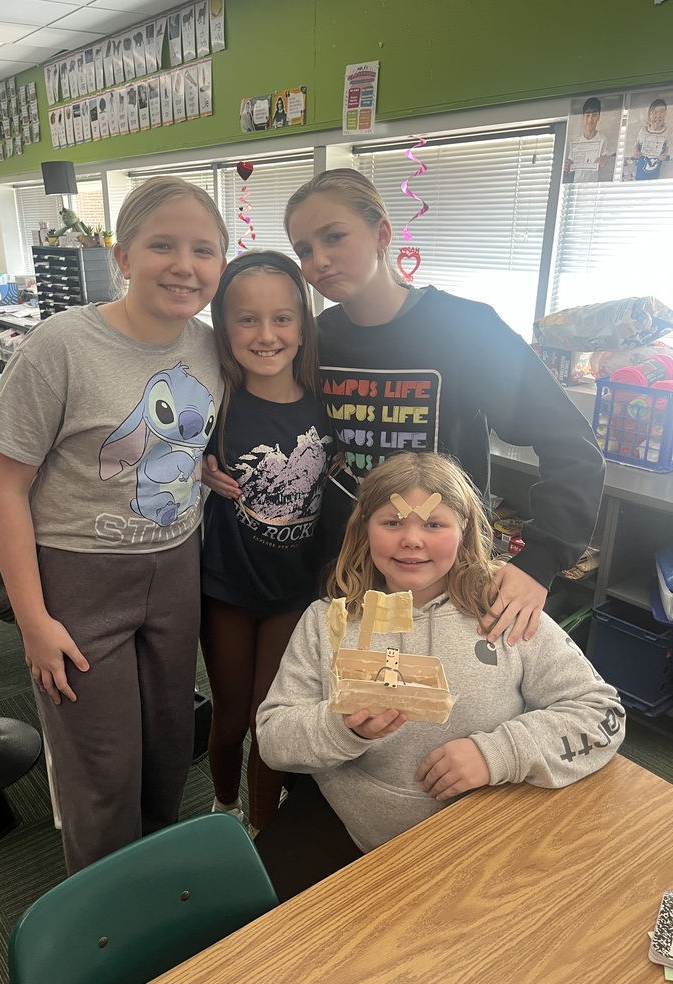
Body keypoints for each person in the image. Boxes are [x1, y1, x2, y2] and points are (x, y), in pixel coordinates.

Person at [206, 169, 605, 645]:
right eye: (304, 250)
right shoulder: (317, 339)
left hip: (443, 578)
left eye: (334, 237)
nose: (319, 261)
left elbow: (572, 445)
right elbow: (271, 416)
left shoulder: (467, 329)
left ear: (382, 234)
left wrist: (539, 561)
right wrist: (211, 462)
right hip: (344, 576)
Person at [0, 176, 228, 875]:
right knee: (102, 768)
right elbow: (4, 484)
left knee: (167, 747)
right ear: (122, 256)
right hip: (79, 575)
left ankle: (153, 888)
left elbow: (192, 442)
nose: (185, 265)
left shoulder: (213, 347)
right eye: (162, 245)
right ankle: (106, 918)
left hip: (176, 567)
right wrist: (32, 620)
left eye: (204, 250)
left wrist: (206, 467)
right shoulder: (60, 346)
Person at [255, 451, 625, 900]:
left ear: (464, 528)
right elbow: (273, 739)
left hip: (478, 838)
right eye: (392, 522)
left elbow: (602, 714)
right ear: (364, 527)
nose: (412, 540)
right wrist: (341, 726)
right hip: (349, 828)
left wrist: (497, 753)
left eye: (433, 524)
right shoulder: (326, 621)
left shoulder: (505, 612)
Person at [201, 251, 334, 834]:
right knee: (230, 717)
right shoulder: (214, 401)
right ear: (224, 328)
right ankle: (223, 808)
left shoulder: (328, 405)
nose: (266, 335)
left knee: (267, 719)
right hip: (226, 588)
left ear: (303, 327)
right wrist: (196, 469)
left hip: (294, 593)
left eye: (282, 318)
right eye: (247, 319)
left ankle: (259, 832)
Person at [564, 96, 608, 183]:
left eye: (594, 115)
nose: (590, 120)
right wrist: (567, 168)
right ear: (583, 117)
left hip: (593, 185)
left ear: (599, 116)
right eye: (587, 115)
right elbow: (568, 171)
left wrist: (604, 162)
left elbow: (604, 164)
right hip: (576, 184)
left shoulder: (602, 139)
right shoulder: (576, 143)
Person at [634, 98, 670, 181]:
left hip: (656, 171)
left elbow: (667, 146)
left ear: (665, 113)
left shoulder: (667, 132)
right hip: (641, 171)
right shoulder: (643, 131)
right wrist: (636, 153)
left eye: (662, 112)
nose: (658, 116)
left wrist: (664, 155)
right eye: (654, 113)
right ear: (649, 115)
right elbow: (636, 147)